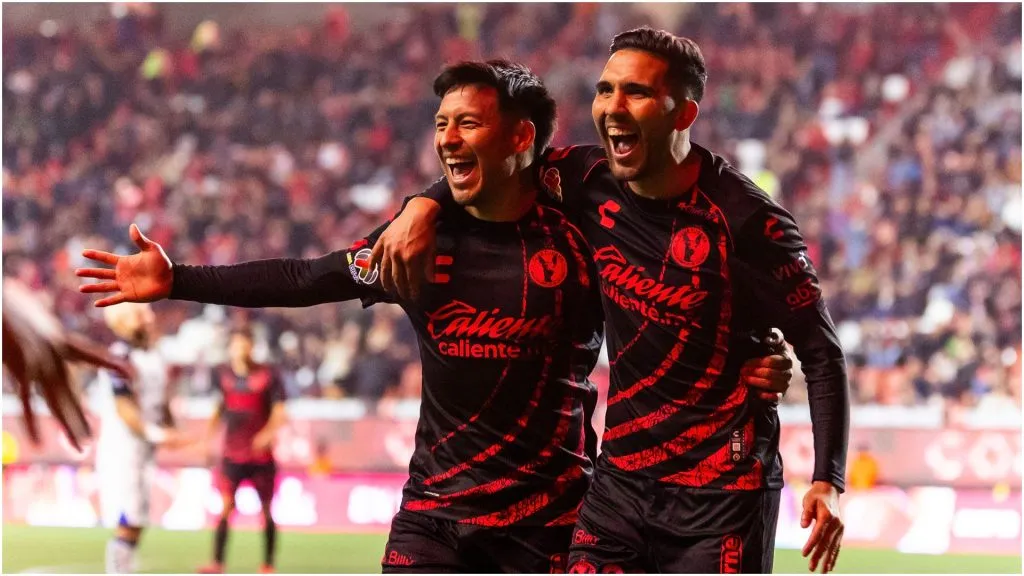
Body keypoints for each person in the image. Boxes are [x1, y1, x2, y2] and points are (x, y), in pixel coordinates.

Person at [78, 60, 791, 572]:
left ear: (521, 138)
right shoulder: (413, 246)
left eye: (468, 123)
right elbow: (305, 277)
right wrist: (178, 279)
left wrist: (757, 353)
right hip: (434, 521)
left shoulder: (583, 232)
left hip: (550, 526)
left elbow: (676, 294)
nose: (447, 137)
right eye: (441, 123)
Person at [373, 27, 849, 574]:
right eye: (605, 90)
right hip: (619, 489)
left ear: (683, 114)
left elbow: (822, 351)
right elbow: (498, 164)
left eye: (636, 92)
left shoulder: (748, 222)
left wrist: (828, 480)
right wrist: (423, 205)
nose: (612, 107)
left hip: (720, 497)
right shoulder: (585, 179)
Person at [93, 302, 190, 574]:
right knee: (128, 518)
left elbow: (160, 400)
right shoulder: (119, 357)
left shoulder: (153, 355)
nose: (150, 317)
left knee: (138, 519)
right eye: (142, 313)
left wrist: (172, 427)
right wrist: (158, 433)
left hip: (144, 448)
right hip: (122, 449)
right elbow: (125, 408)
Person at [198, 326, 287, 574]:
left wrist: (268, 434)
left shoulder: (268, 375)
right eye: (236, 344)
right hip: (232, 453)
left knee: (266, 510)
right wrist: (207, 439)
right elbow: (218, 408)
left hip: (260, 456)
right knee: (225, 508)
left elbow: (280, 410)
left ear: (252, 347)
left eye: (244, 344)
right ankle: (217, 563)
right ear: (230, 348)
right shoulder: (223, 375)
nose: (240, 349)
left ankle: (268, 564)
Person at [2, 279, 129, 450]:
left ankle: (78, 437)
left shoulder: (16, 302)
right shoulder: (14, 303)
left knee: (59, 393)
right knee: (57, 394)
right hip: (42, 345)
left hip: (45, 343)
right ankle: (76, 437)